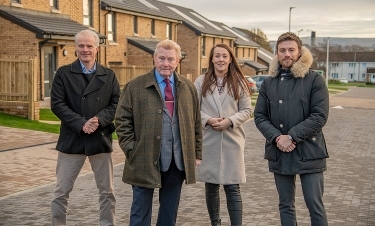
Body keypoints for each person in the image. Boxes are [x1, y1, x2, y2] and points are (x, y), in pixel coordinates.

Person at [115, 39, 202, 226]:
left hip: (176, 161)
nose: (166, 63)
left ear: (178, 61)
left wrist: (196, 153)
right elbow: (122, 121)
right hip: (144, 159)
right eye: (161, 58)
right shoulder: (135, 86)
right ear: (154, 59)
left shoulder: (188, 87)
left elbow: (195, 122)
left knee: (169, 214)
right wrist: (132, 149)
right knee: (140, 213)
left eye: (170, 59)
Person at [254, 32, 329, 226]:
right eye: (282, 50)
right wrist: (278, 138)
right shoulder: (268, 83)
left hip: (309, 152)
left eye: (291, 50)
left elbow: (319, 116)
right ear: (276, 53)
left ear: (299, 52)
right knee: (285, 205)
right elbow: (260, 116)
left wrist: (292, 137)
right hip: (280, 151)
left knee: (314, 204)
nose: (287, 54)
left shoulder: (314, 80)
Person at [50, 29, 120, 226]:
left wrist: (98, 120)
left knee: (107, 192)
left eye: (89, 46)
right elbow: (57, 104)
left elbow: (117, 103)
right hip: (72, 140)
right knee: (61, 192)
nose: (85, 49)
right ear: (76, 47)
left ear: (97, 48)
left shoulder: (109, 75)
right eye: (81, 45)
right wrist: (81, 123)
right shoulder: (63, 73)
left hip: (100, 138)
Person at [194, 43, 252, 226]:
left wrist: (230, 121)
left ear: (230, 59)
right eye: (217, 56)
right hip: (209, 139)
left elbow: (247, 110)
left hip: (231, 139)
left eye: (224, 56)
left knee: (232, 185)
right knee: (211, 185)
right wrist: (208, 120)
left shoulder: (239, 82)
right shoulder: (200, 81)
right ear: (211, 59)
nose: (220, 59)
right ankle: (215, 223)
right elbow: (193, 109)